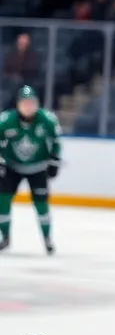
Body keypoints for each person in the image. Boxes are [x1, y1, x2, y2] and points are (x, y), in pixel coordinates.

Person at [0, 86, 61, 255]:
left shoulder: (47, 119)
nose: (28, 106)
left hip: (38, 167)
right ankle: (5, 237)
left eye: (32, 103)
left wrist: (55, 160)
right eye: (25, 103)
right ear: (18, 104)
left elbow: (56, 141)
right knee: (2, 201)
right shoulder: (5, 120)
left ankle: (47, 239)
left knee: (41, 204)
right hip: (12, 167)